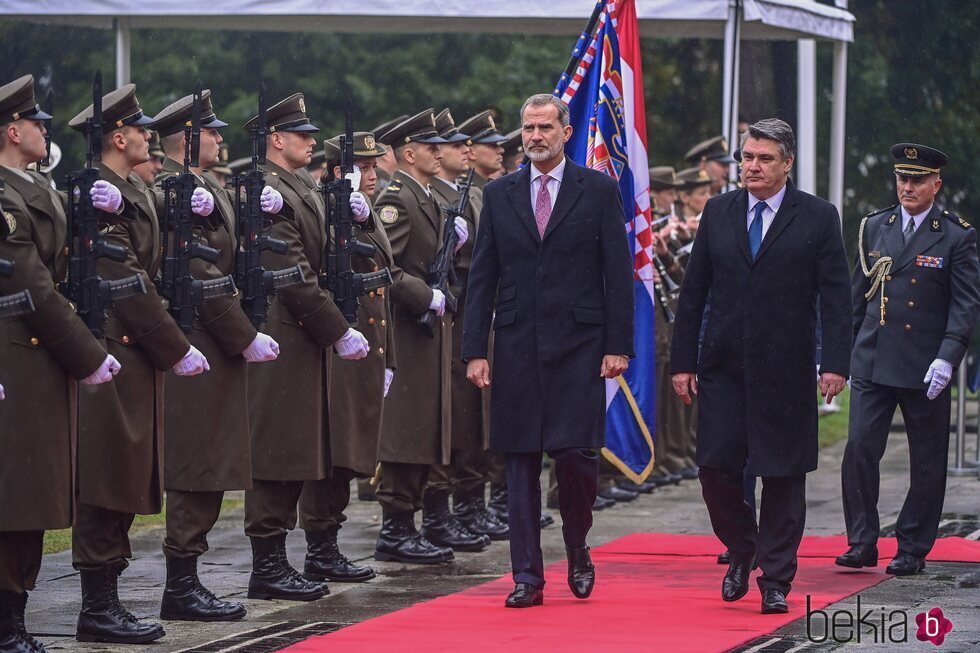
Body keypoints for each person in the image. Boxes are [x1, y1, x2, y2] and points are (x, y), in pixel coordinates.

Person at [670, 118, 851, 615]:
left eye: (764, 158)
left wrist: (835, 361)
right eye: (747, 157)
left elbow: (836, 296)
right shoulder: (719, 211)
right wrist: (682, 361)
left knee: (783, 475)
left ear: (787, 163)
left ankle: (775, 579)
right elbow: (694, 294)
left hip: (787, 368)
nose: (752, 166)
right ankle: (743, 545)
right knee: (715, 469)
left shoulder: (817, 217)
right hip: (723, 365)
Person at [462, 93, 634, 608]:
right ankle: (527, 577)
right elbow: (482, 275)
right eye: (528, 128)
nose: (535, 136)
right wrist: (475, 349)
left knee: (577, 458)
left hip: (580, 345)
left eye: (544, 127)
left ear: (564, 131)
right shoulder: (500, 194)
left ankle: (577, 544)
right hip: (516, 344)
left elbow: (617, 275)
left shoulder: (598, 190)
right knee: (518, 461)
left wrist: (617, 346)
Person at [67, 83, 212, 643]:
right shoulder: (98, 192)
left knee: (126, 475)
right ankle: (96, 606)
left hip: (134, 351)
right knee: (107, 479)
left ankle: (108, 599)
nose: (151, 136)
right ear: (117, 135)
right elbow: (122, 280)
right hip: (112, 347)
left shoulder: (130, 187)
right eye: (140, 128)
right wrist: (173, 345)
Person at [0, 74, 120, 653]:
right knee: (18, 493)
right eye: (37, 122)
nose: (47, 129)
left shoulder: (33, 186)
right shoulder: (3, 197)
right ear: (12, 130)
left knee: (35, 494)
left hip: (41, 358)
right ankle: (8, 624)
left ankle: (15, 619)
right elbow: (32, 285)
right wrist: (88, 354)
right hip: (17, 356)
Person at [152, 89, 280, 621]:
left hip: (216, 339)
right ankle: (181, 585)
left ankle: (189, 580)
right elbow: (197, 272)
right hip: (199, 335)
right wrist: (241, 332)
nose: (221, 139)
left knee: (214, 461)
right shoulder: (175, 190)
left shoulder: (211, 188)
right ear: (186, 139)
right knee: (197, 463)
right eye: (210, 131)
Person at [241, 92, 370, 602]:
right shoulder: (269, 189)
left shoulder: (305, 187)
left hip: (303, 336)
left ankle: (283, 561)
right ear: (276, 140)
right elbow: (289, 271)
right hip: (284, 332)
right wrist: (335, 328)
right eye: (302, 134)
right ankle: (266, 566)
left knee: (298, 451)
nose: (313, 141)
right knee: (277, 453)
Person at [837, 143, 980, 576]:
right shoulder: (875, 226)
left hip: (924, 364)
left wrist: (948, 357)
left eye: (917, 179)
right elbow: (857, 298)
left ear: (935, 183)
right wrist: (838, 358)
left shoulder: (955, 235)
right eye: (902, 178)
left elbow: (965, 304)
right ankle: (862, 540)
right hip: (874, 358)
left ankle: (913, 545)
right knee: (860, 448)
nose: (908, 186)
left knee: (926, 458)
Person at [296, 131, 394, 584]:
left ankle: (328, 544)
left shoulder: (362, 210)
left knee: (351, 452)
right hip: (338, 346)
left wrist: (366, 219)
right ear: (339, 172)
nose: (374, 176)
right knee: (333, 453)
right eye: (365, 168)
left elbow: (384, 268)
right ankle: (320, 547)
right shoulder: (323, 207)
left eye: (375, 167)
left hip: (366, 345)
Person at [373, 109, 462, 565]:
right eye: (431, 147)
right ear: (409, 153)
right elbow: (383, 264)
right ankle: (396, 527)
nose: (439, 153)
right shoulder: (398, 198)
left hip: (428, 334)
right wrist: (424, 295)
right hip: (407, 331)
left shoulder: (425, 197)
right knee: (406, 429)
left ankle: (408, 523)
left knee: (425, 426)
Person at [426, 109, 500, 550]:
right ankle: (444, 512)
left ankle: (471, 506)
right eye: (458, 145)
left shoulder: (472, 194)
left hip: (473, 313)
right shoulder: (436, 195)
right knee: (453, 421)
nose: (469, 150)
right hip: (450, 317)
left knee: (475, 420)